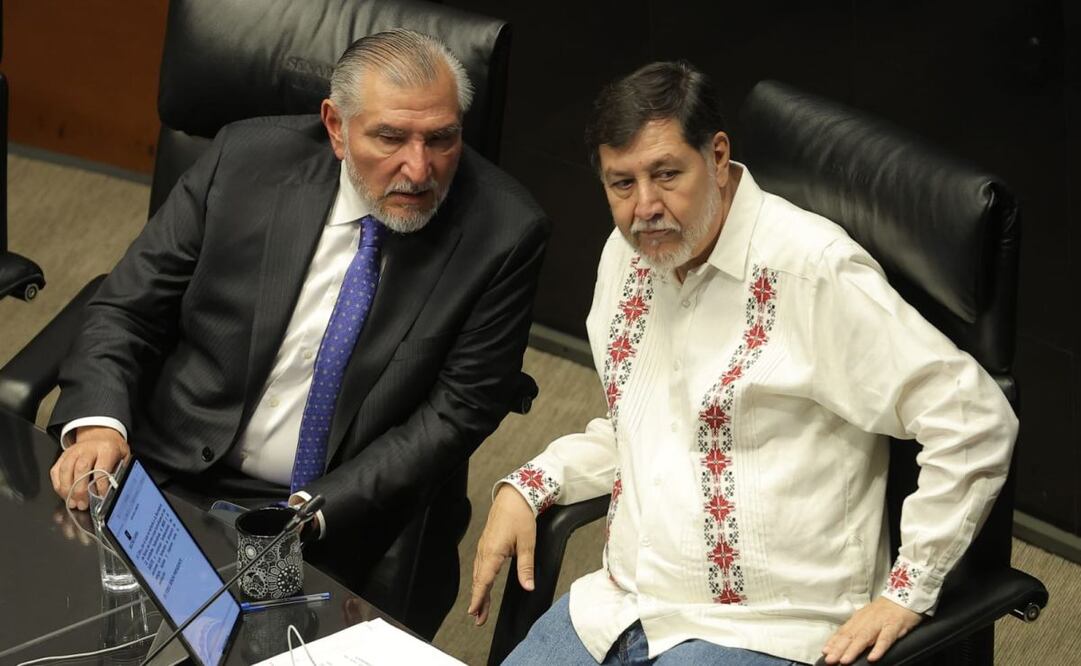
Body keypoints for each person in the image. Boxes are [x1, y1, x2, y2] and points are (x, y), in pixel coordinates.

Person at [469, 61, 1016, 665]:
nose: (644, 207)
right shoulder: (628, 258)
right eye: (621, 184)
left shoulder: (812, 272)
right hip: (621, 607)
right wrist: (534, 483)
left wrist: (907, 593)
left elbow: (973, 416)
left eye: (666, 174)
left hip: (765, 630)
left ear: (719, 155)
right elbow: (644, 426)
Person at [47, 29, 549, 636]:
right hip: (166, 472)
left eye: (442, 138)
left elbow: (457, 412)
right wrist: (100, 421)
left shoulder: (505, 230)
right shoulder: (245, 160)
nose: (420, 168)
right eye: (390, 137)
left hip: (331, 514)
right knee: (71, 624)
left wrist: (313, 512)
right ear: (336, 127)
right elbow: (126, 307)